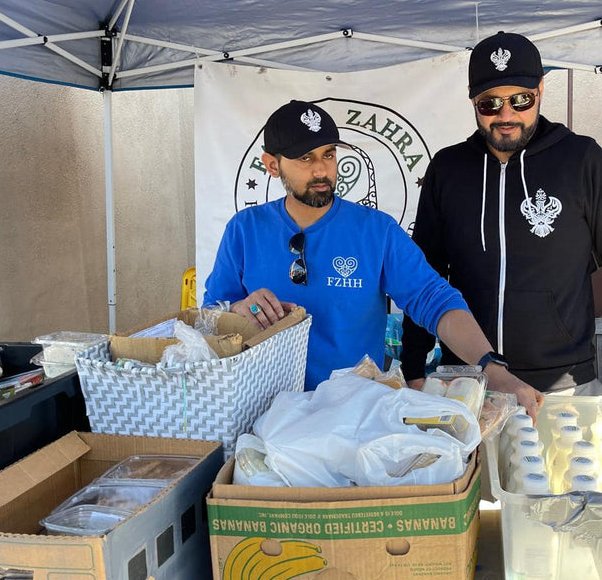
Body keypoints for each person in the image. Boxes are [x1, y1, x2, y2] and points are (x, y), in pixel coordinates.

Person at [203, 99, 544, 415]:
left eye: (328, 154)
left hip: (353, 413)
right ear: (272, 165)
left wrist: (491, 368)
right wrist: (238, 310)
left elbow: (434, 299)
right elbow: (207, 318)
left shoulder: (374, 231)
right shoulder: (244, 229)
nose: (322, 170)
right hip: (262, 413)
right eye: (305, 159)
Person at [401, 31, 602, 400]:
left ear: (541, 91)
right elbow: (425, 274)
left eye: (521, 99)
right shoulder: (448, 169)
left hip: (564, 388)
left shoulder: (581, 160)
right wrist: (413, 368)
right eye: (490, 104)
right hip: (467, 385)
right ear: (473, 102)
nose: (506, 114)